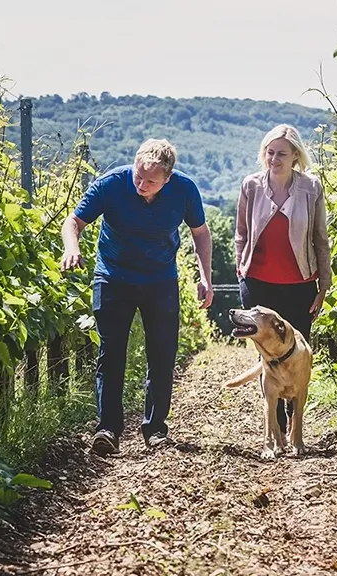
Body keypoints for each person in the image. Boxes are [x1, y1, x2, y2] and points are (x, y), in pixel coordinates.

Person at [60, 138, 213, 456]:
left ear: (167, 178)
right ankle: (107, 429)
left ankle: (156, 429)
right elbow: (74, 221)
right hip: (113, 278)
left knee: (162, 353)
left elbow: (200, 233)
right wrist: (71, 248)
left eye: (151, 181)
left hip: (161, 280)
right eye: (138, 176)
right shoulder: (111, 184)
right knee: (111, 352)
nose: (142, 184)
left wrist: (205, 277)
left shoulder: (184, 189)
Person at [234, 123, 332, 437]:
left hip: (300, 285)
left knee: (298, 356)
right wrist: (241, 266)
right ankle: (274, 423)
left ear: (295, 157)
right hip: (258, 284)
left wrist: (324, 285)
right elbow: (241, 234)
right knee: (268, 355)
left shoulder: (311, 188)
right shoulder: (251, 185)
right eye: (270, 152)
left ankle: (294, 421)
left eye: (281, 154)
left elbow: (320, 239)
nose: (274, 159)